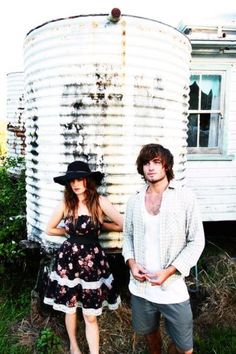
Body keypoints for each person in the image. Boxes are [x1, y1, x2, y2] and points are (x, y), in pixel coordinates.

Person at [122, 143, 205, 354]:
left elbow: (196, 241)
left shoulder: (185, 198)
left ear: (166, 165)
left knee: (185, 348)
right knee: (150, 335)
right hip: (141, 288)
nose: (150, 167)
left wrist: (169, 272)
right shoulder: (134, 200)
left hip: (172, 287)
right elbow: (128, 236)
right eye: (146, 163)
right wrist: (131, 263)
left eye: (156, 162)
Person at [44, 160, 123, 354]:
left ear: (88, 180)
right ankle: (74, 346)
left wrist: (100, 224)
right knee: (70, 307)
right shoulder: (66, 203)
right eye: (72, 181)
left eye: (79, 179)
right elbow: (50, 229)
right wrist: (70, 233)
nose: (75, 184)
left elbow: (121, 224)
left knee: (90, 313)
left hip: (92, 262)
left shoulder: (99, 202)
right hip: (68, 260)